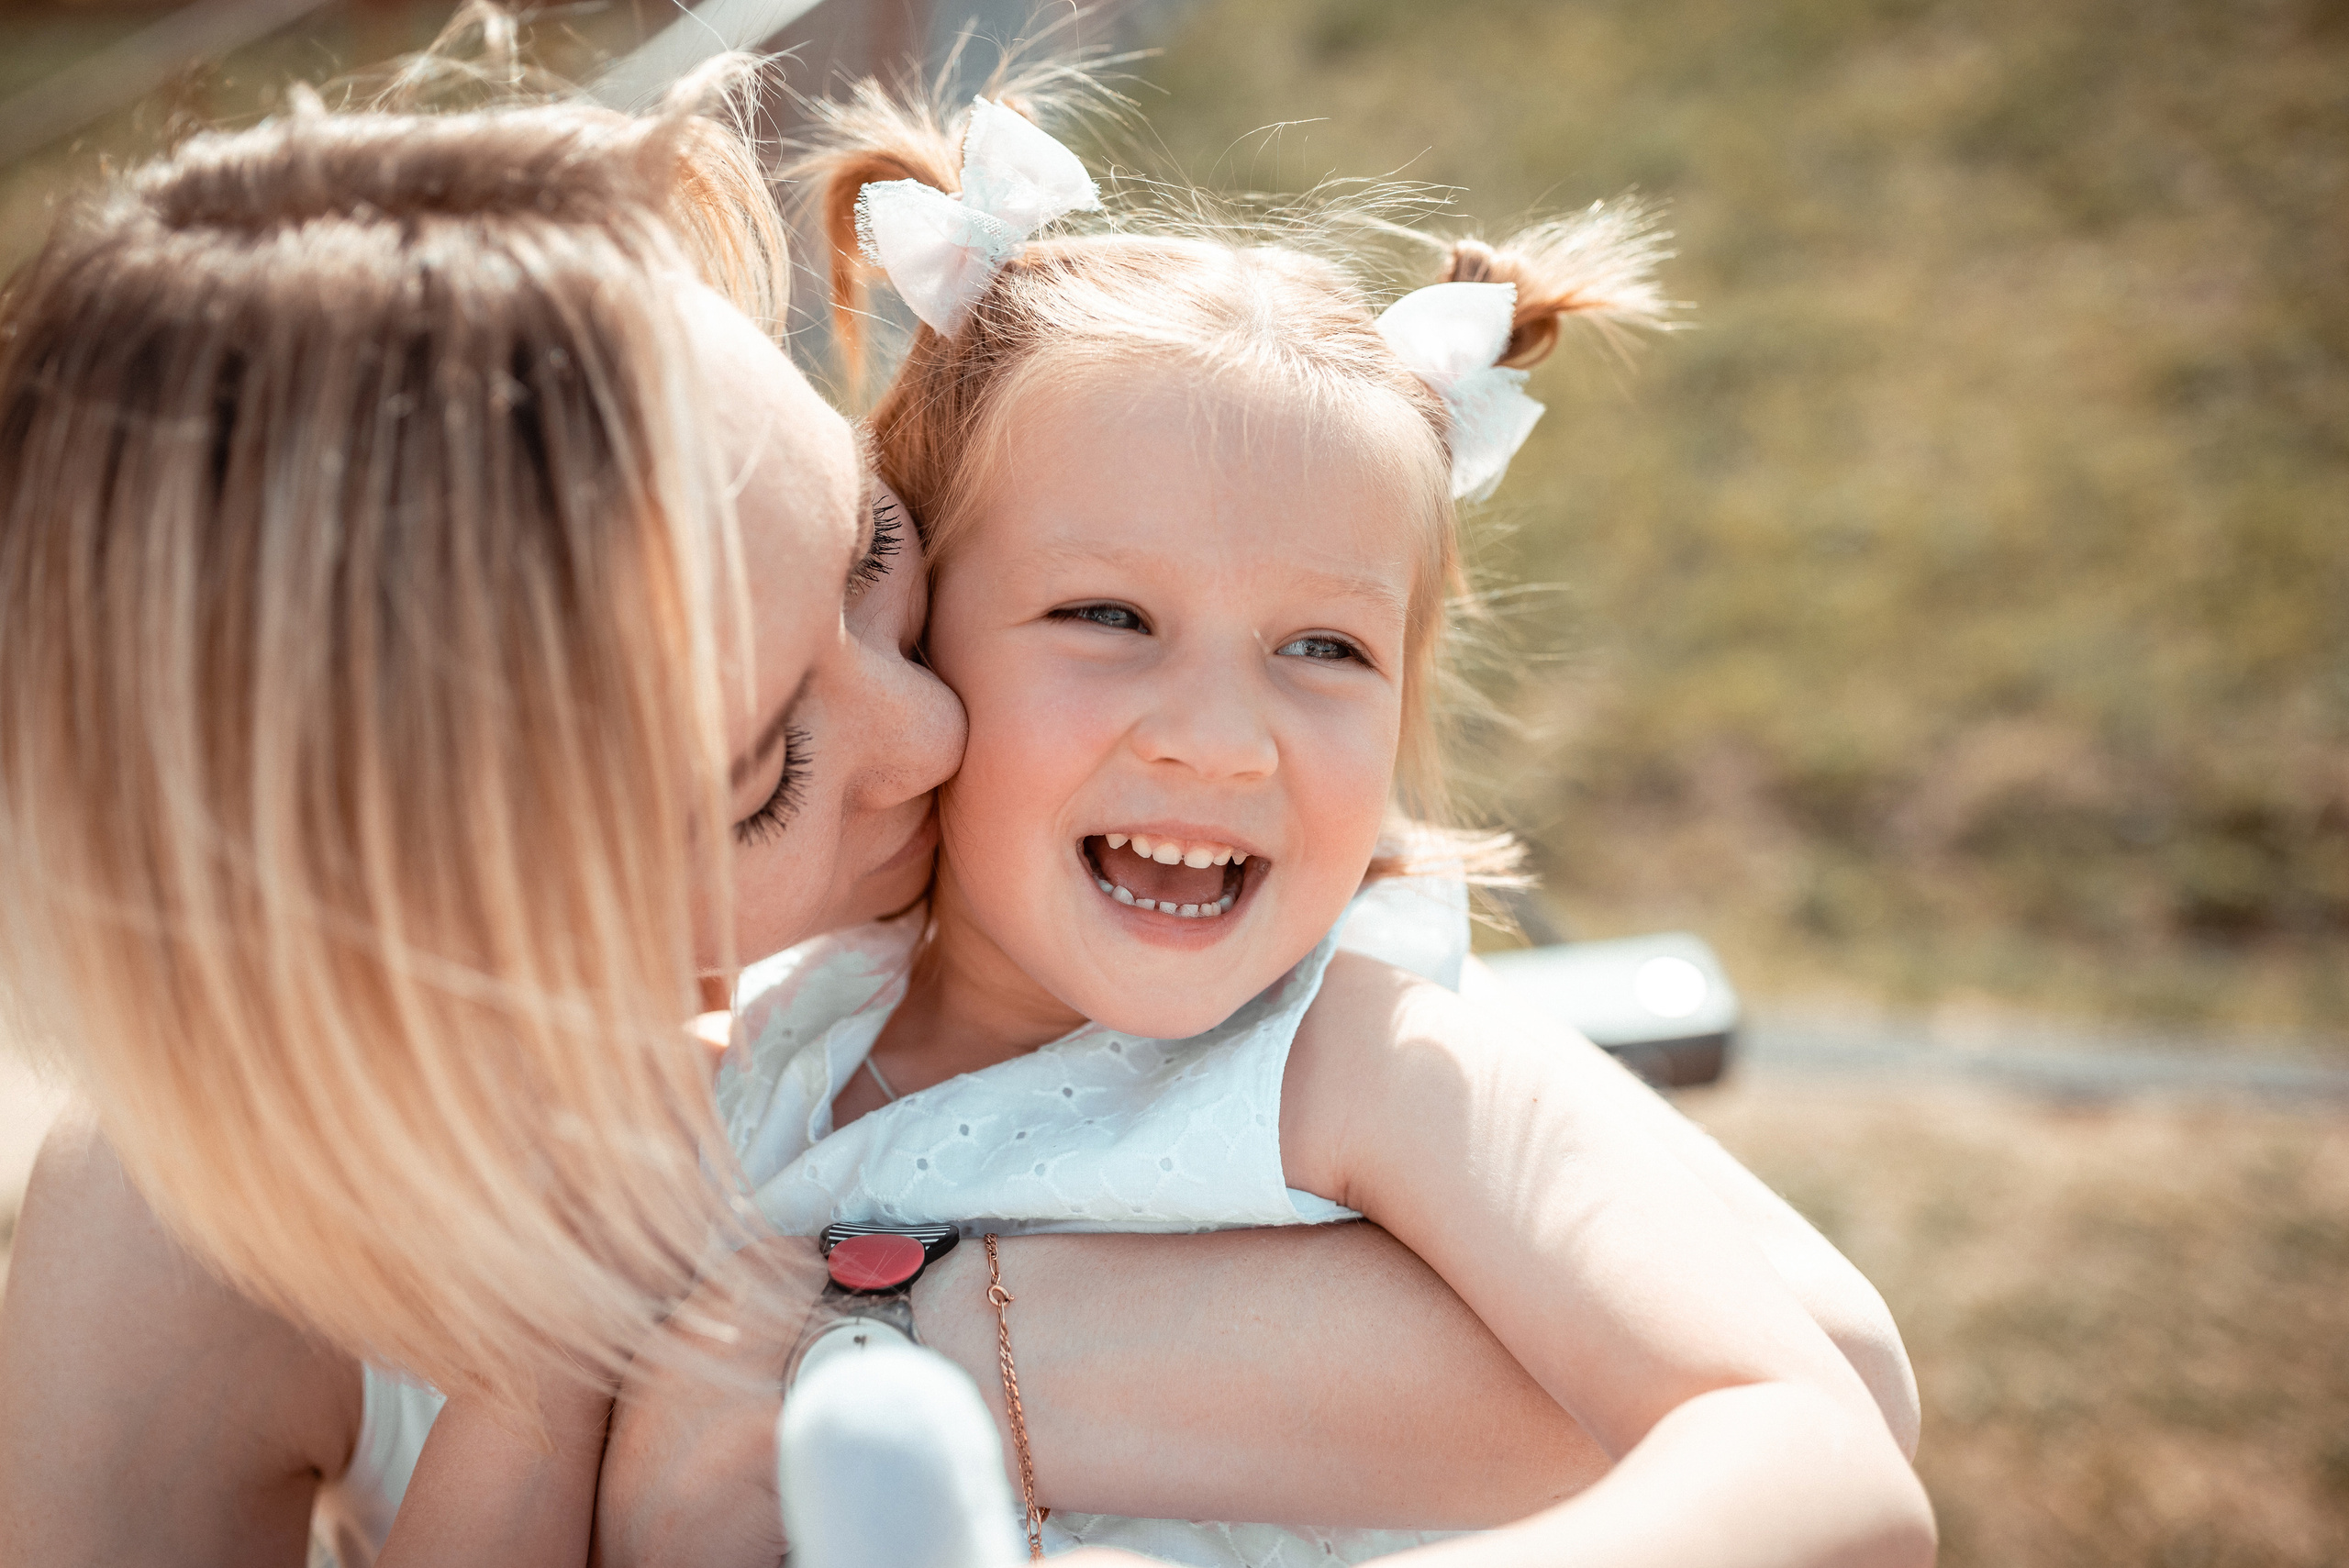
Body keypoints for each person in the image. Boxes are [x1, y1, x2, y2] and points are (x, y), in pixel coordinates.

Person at [0, 53, 1920, 1568]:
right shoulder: (728, 1084)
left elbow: (1821, 1411)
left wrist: (906, 1354)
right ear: (466, 907)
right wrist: (560, 1375)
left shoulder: (1353, 1059)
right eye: (769, 767)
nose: (923, 722)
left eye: (870, 558)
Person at [679, 86, 1931, 1568]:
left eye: (1324, 647)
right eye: (1107, 617)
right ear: (923, 632)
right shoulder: (780, 1039)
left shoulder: (1361, 1065)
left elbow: (1822, 1448)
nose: (1220, 736)